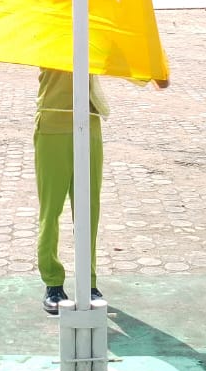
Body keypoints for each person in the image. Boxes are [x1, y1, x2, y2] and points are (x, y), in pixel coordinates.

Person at [35, 68, 168, 315]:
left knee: (88, 209)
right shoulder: (49, 31)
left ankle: (89, 283)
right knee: (51, 209)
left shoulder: (90, 31)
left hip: (89, 125)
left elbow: (114, 56)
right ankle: (53, 283)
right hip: (53, 123)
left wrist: (150, 71)